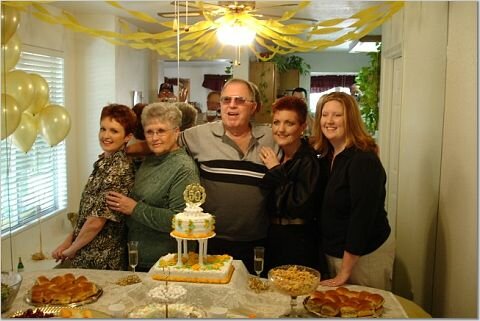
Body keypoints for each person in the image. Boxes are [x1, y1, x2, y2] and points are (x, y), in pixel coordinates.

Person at [178, 78, 279, 274]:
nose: (232, 105)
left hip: (257, 241)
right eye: (226, 100)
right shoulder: (199, 135)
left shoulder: (272, 137)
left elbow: (303, 150)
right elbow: (163, 143)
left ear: (254, 107)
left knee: (252, 297)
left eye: (240, 100)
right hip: (210, 241)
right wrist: (122, 148)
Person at [311, 92, 394, 290]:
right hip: (337, 252)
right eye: (324, 114)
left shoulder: (363, 160)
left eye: (337, 115)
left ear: (351, 119)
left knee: (365, 309)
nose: (329, 121)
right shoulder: (329, 156)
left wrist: (345, 271)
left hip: (364, 255)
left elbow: (362, 218)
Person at [106, 102, 199, 271]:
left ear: (176, 131)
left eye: (161, 131)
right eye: (149, 132)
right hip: (138, 258)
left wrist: (134, 208)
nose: (154, 138)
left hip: (167, 263)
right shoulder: (151, 159)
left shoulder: (184, 169)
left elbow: (182, 221)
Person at [52, 104, 137, 270]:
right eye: (103, 129)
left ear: (127, 137)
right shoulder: (102, 163)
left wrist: (71, 250)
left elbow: (96, 222)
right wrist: (68, 240)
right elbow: (87, 213)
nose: (105, 135)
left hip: (102, 261)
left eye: (114, 131)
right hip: (84, 254)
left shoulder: (119, 170)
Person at [259, 96, 329, 276]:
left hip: (298, 241)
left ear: (302, 127)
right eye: (276, 122)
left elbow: (299, 205)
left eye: (289, 123)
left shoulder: (309, 160)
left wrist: (275, 169)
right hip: (275, 237)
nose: (281, 129)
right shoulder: (278, 155)